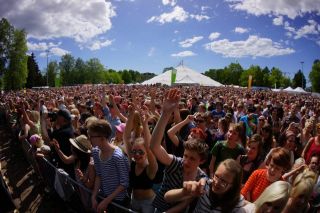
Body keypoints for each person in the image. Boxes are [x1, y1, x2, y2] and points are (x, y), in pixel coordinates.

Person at [150, 88, 208, 213]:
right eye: (185, 156)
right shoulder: (176, 163)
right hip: (159, 209)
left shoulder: (201, 177)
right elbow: (154, 146)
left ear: (201, 161)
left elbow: (186, 202)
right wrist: (165, 113)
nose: (186, 161)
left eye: (192, 158)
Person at [164, 159, 255, 212]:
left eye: (223, 181)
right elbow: (167, 197)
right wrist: (184, 192)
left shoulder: (237, 203)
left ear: (233, 185)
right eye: (216, 176)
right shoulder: (204, 185)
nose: (216, 182)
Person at [88, 119, 130, 213]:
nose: (89, 139)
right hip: (104, 196)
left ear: (102, 138)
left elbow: (124, 183)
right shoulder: (95, 151)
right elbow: (99, 175)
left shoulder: (117, 156)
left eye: (91, 136)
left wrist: (106, 201)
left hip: (117, 201)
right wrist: (94, 196)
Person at [124, 105, 158, 213]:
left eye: (140, 152)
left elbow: (149, 147)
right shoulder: (133, 162)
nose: (136, 154)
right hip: (134, 199)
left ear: (147, 153)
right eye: (134, 151)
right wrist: (130, 115)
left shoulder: (151, 168)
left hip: (148, 203)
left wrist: (145, 124)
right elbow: (126, 137)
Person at [52, 134, 95, 210]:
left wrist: (83, 178)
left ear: (78, 150)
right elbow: (66, 160)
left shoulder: (90, 165)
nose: (71, 146)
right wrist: (58, 149)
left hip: (88, 195)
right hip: (80, 190)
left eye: (73, 145)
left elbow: (90, 185)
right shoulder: (76, 157)